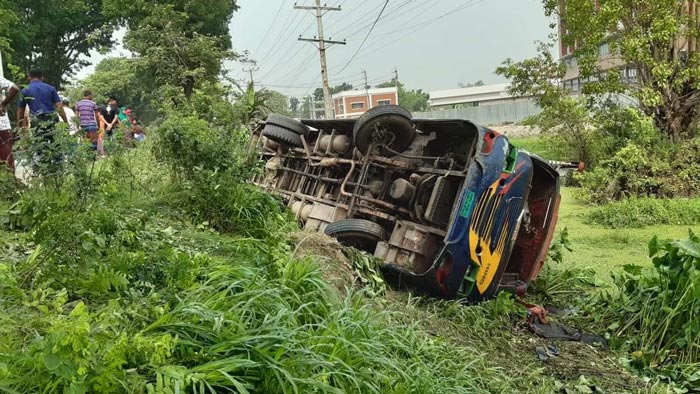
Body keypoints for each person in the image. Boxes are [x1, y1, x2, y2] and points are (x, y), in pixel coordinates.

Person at [16, 69, 68, 173]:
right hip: (52, 119)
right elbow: (59, 107)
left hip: (37, 121)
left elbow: (20, 110)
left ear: (29, 77)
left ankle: (43, 170)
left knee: (39, 144)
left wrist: (19, 125)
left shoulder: (25, 90)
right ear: (42, 77)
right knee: (55, 143)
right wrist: (65, 121)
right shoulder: (51, 88)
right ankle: (58, 169)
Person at [0, 75, 20, 171]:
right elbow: (14, 88)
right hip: (2, 125)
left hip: (2, 125)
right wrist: (3, 104)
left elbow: (15, 88)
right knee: (6, 154)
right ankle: (11, 181)